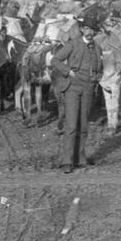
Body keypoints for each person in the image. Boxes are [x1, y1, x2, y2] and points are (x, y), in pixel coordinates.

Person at [50, 15, 103, 174]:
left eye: (92, 30)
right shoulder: (73, 44)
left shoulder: (97, 48)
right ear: (82, 29)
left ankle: (80, 159)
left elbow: (100, 69)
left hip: (88, 89)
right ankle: (67, 161)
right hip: (72, 88)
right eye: (87, 29)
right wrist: (68, 72)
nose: (90, 32)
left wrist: (96, 78)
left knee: (84, 125)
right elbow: (55, 61)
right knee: (72, 125)